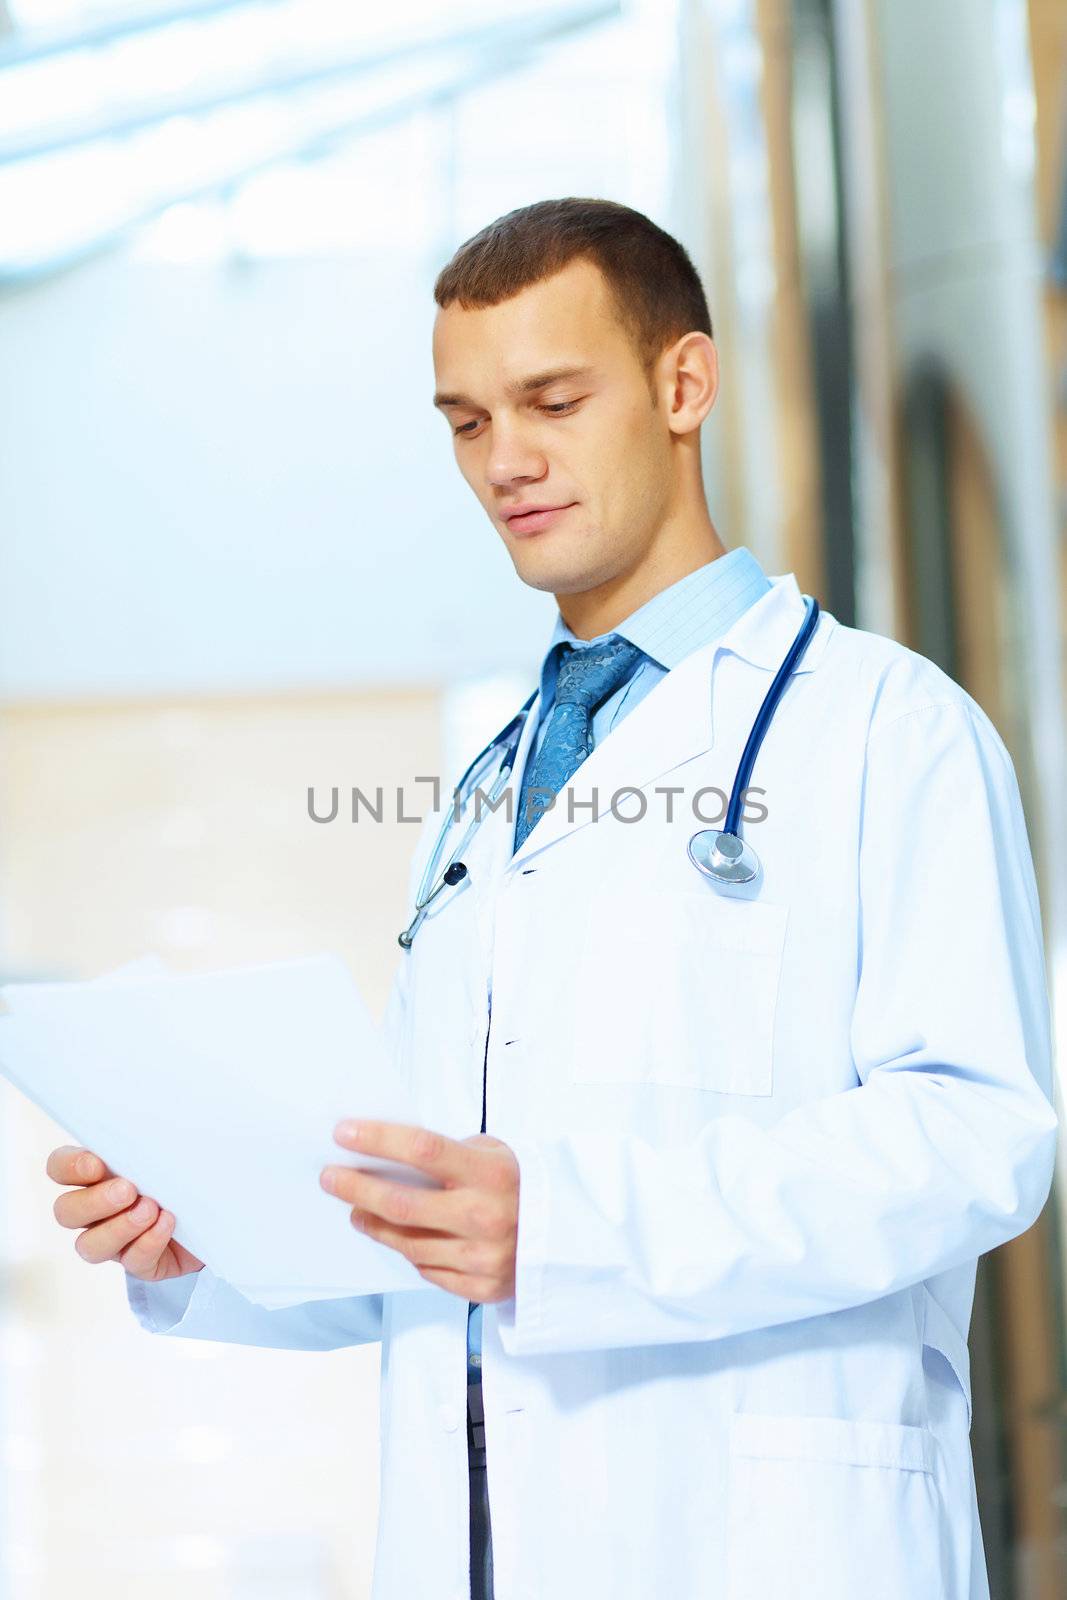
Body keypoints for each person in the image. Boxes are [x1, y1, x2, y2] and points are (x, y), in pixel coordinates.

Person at [47, 198, 1058, 1600]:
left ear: (682, 385)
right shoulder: (487, 787)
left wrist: (571, 1229)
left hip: (766, 1541)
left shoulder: (889, 729)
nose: (504, 461)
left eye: (552, 399)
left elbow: (973, 1135)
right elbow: (439, 1232)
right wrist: (207, 1231)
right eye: (465, 421)